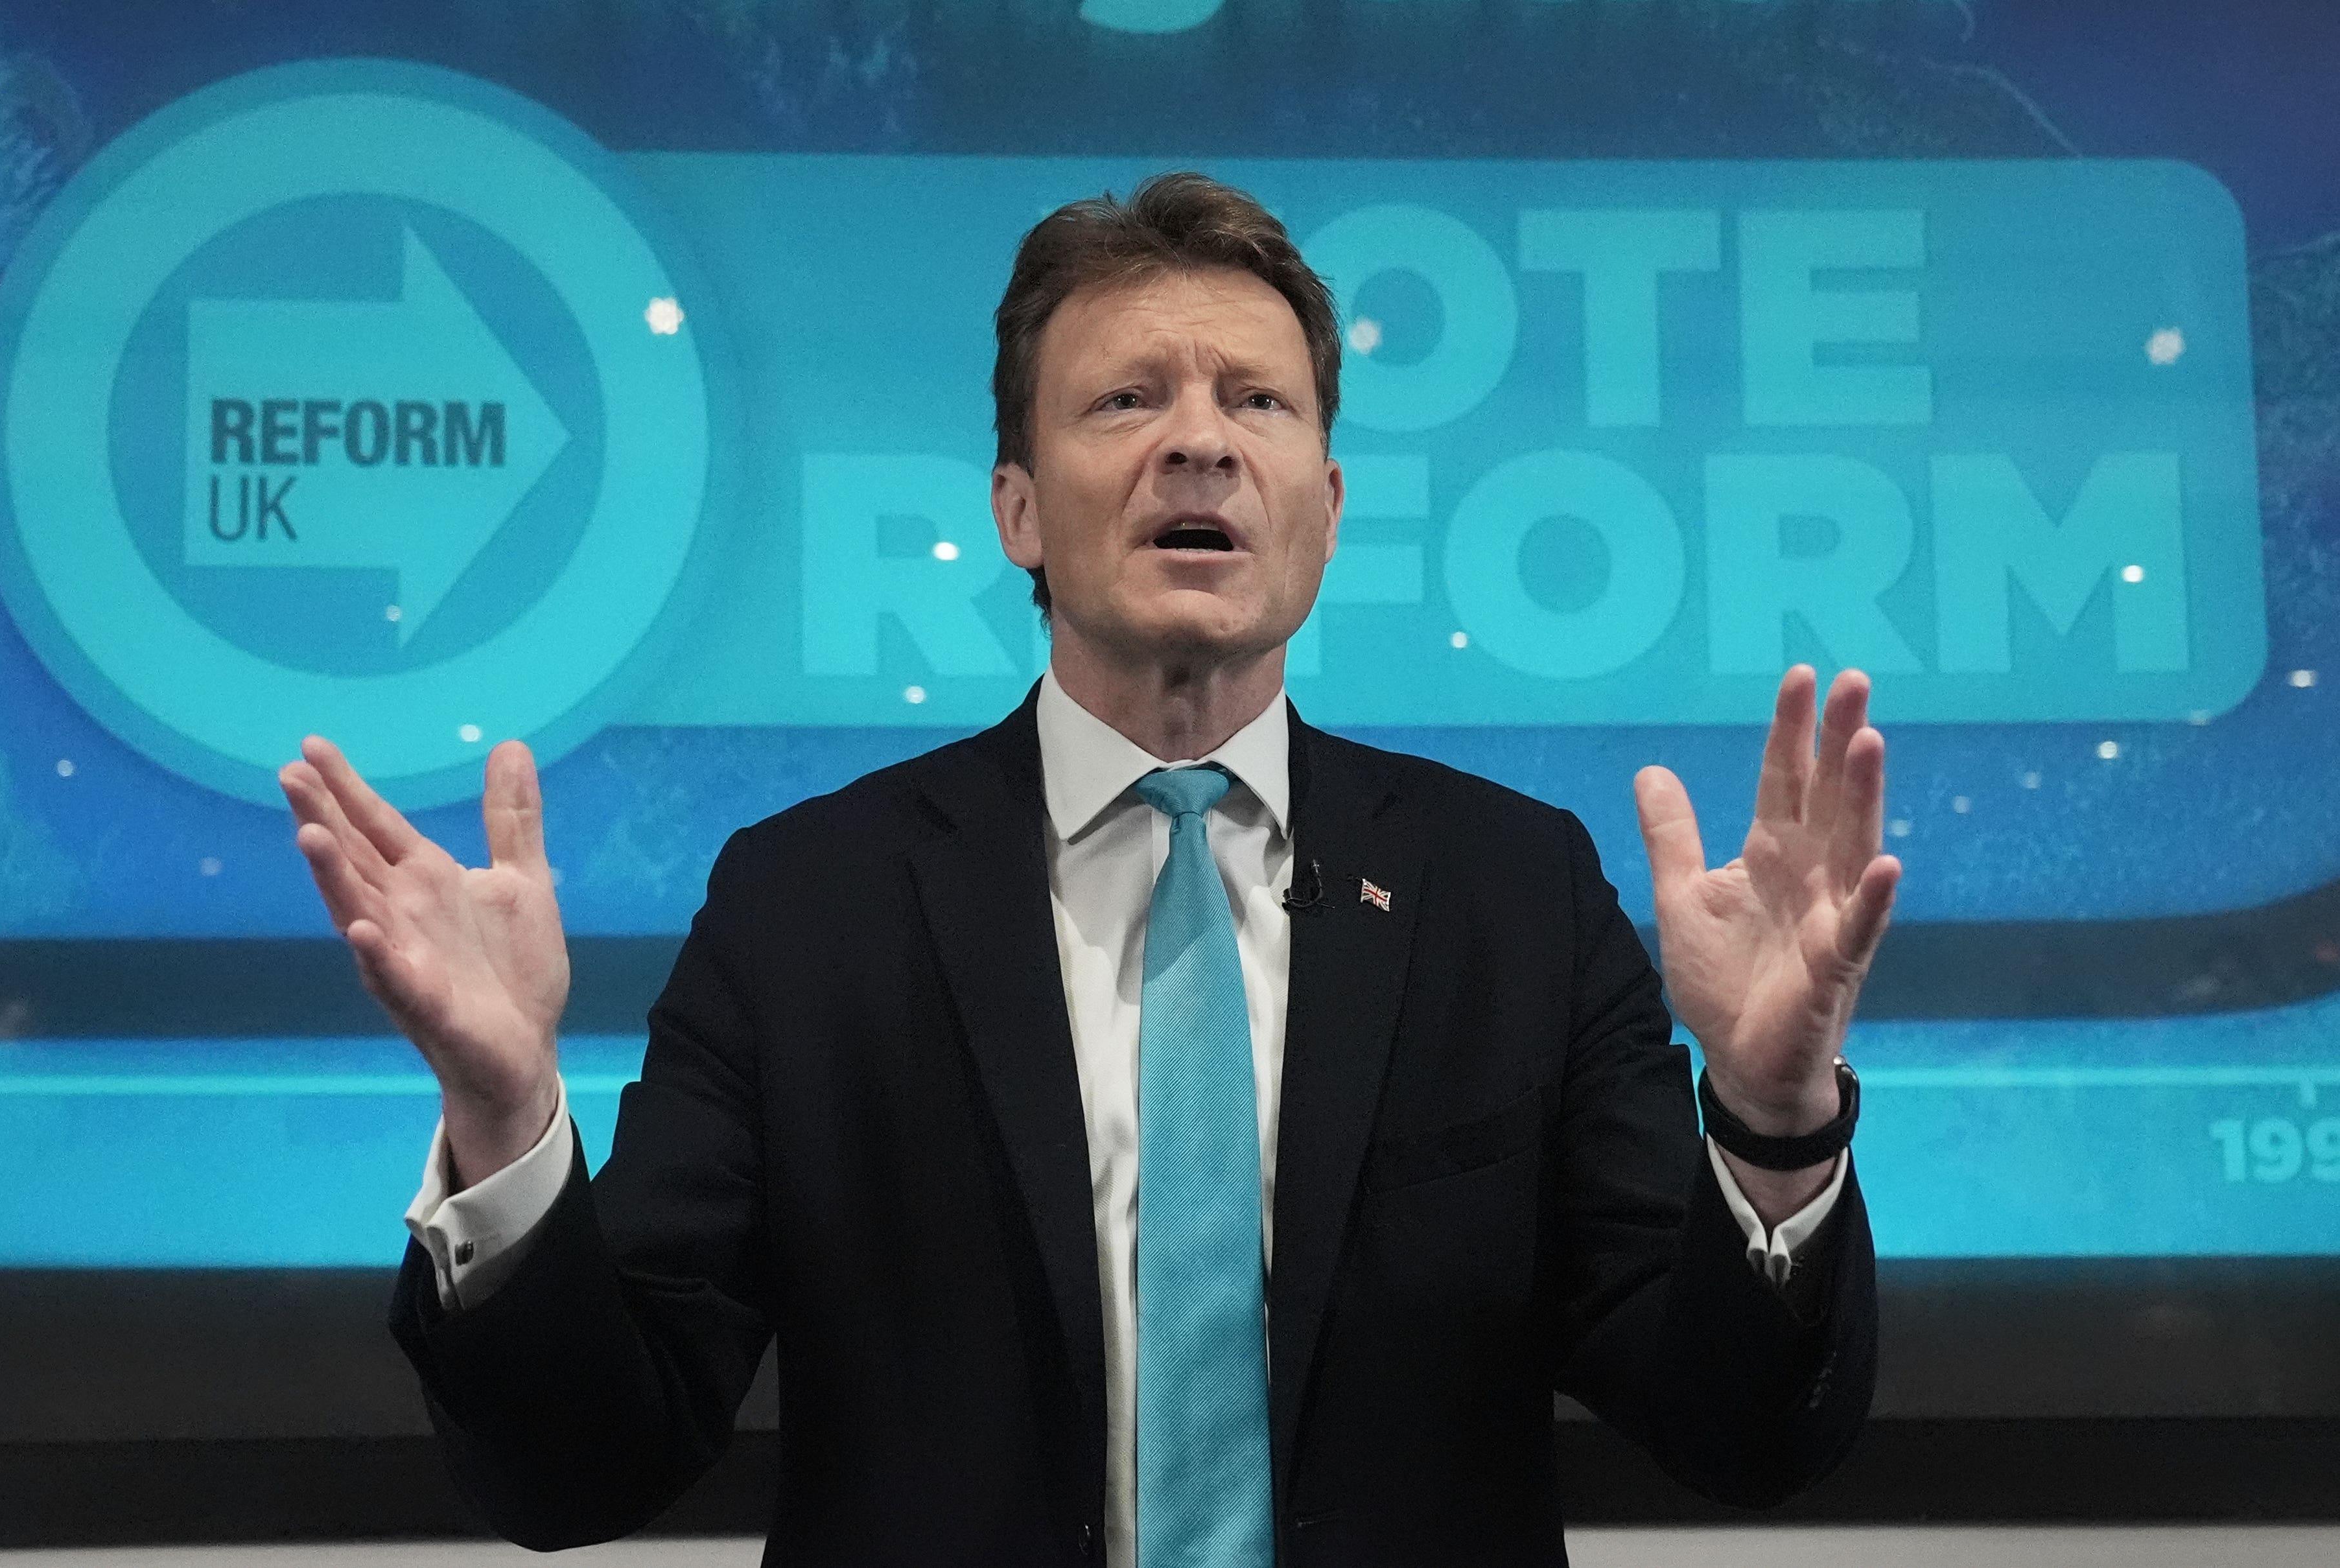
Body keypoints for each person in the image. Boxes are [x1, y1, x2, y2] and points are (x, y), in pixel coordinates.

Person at [281, 172, 1896, 1568]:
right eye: (1125, 400)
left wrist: (1767, 1129)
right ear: (1017, 511)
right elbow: (583, 1465)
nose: (1198, 442)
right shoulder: (809, 906)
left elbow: (1740, 1433)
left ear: (1322, 515)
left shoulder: (1509, 895)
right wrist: (504, 1122)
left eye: (1255, 403)